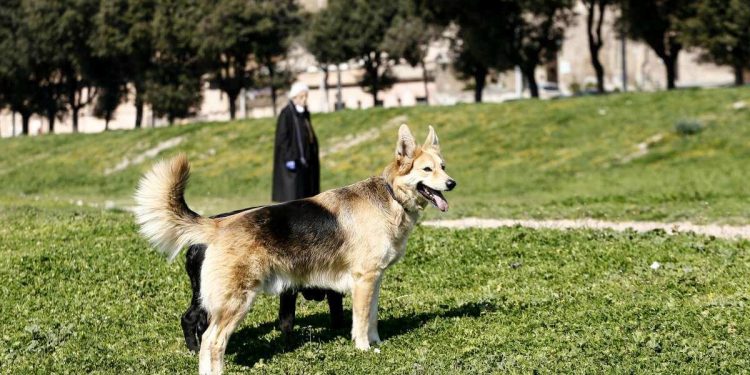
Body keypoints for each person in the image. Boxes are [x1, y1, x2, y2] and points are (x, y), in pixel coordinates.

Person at [271, 82, 345, 334]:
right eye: (302, 95)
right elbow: (283, 139)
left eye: (306, 95)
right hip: (292, 165)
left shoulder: (304, 113)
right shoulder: (287, 113)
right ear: (294, 96)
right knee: (293, 200)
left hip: (306, 166)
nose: (305, 98)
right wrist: (290, 157)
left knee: (307, 197)